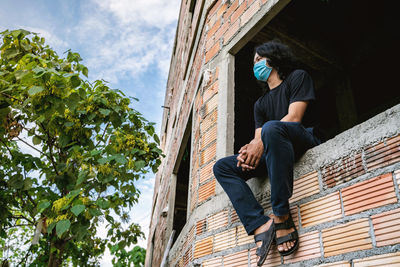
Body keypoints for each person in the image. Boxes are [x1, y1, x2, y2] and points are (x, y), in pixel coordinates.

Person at [213, 40, 321, 266]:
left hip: (300, 138)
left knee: (272, 128)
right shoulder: (260, 104)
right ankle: (261, 224)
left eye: (258, 59)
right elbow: (258, 138)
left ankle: (281, 214)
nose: (255, 66)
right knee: (222, 166)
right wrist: (246, 153)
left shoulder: (297, 78)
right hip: (272, 144)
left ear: (272, 58)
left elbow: (294, 118)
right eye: (254, 62)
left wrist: (259, 142)